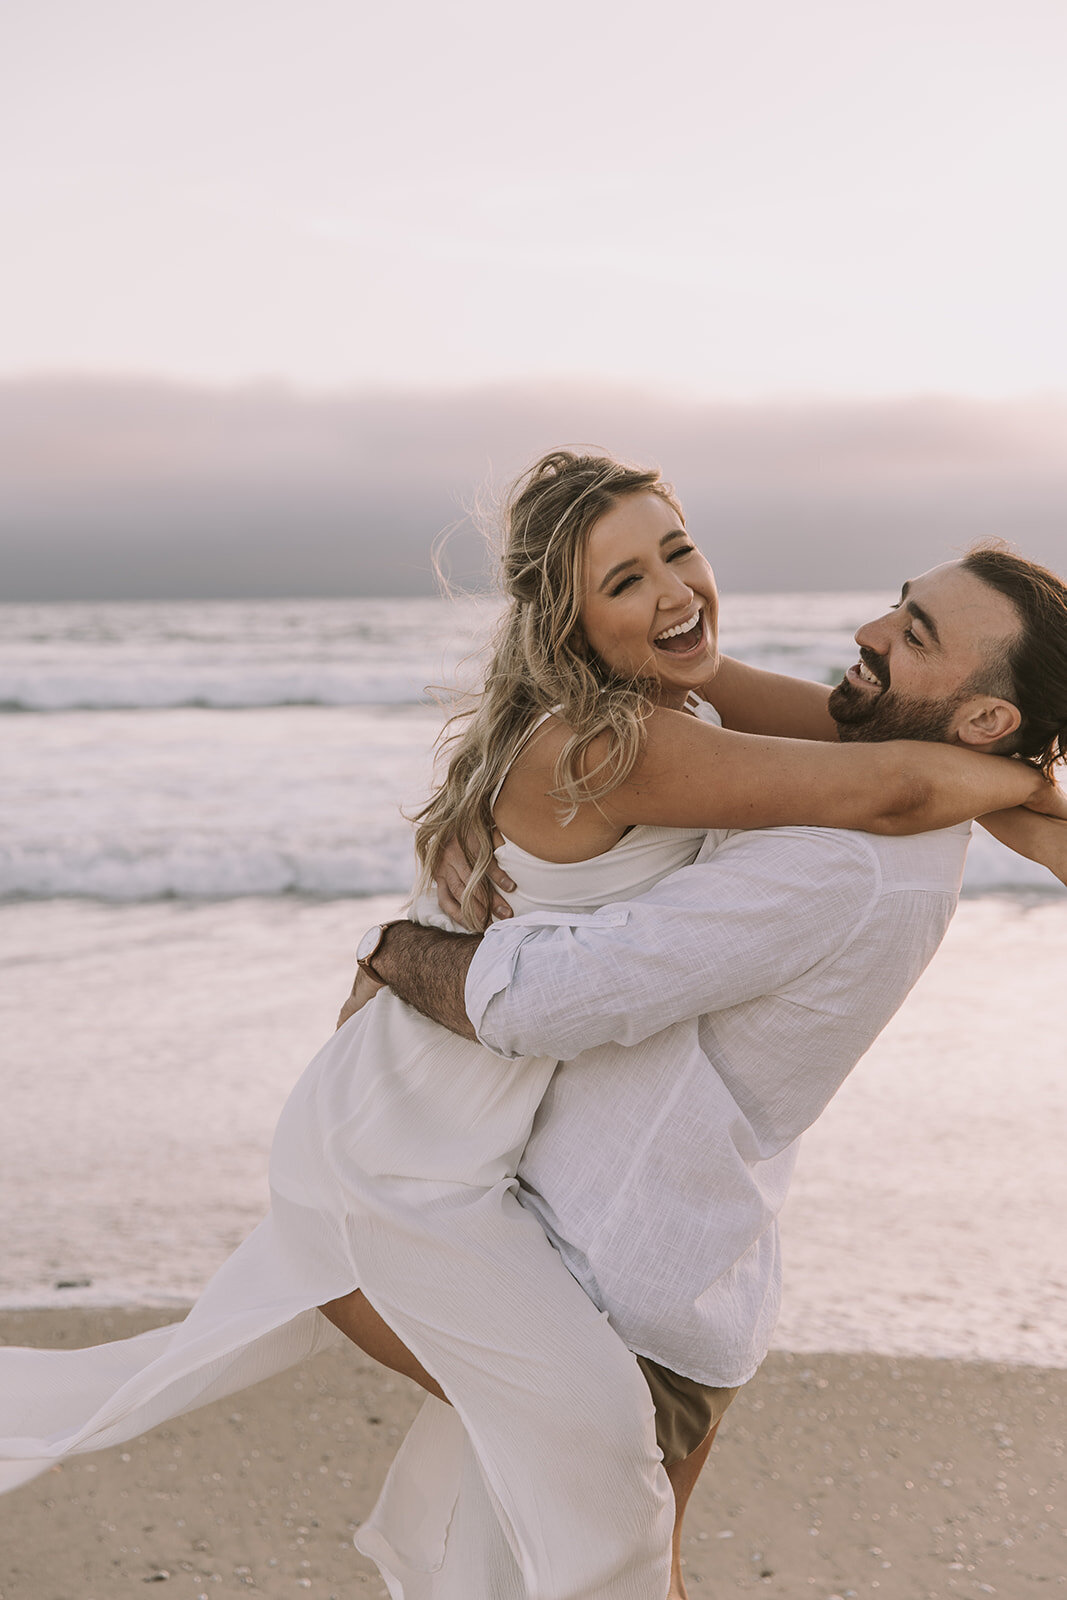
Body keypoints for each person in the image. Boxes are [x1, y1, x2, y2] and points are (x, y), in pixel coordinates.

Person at [0, 454, 1060, 1600]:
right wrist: (391, 949)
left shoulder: (692, 711)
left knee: (581, 1520)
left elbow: (887, 762)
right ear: (569, 621)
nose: (674, 590)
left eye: (676, 550)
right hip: (407, 1145)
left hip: (485, 1139)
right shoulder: (622, 743)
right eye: (622, 581)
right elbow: (898, 785)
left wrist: (1020, 784)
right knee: (602, 1485)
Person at [335, 540, 1067, 1597]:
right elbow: (691, 685)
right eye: (894, 607)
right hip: (672, 1279)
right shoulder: (871, 793)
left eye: (913, 637)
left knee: (319, 1252)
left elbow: (546, 1003)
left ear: (986, 717)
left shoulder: (848, 855)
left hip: (610, 1293)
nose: (867, 634)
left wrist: (393, 951)